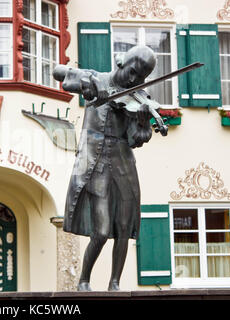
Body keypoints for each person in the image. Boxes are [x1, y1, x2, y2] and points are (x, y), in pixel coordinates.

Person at [53, 45, 162, 291]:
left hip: (123, 162)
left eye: (141, 78)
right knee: (101, 232)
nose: (134, 80)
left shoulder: (138, 98)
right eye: (133, 72)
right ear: (121, 62)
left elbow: (135, 139)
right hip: (95, 163)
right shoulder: (96, 78)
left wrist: (143, 124)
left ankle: (114, 283)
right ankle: (84, 280)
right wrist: (90, 82)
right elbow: (59, 72)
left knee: (124, 227)